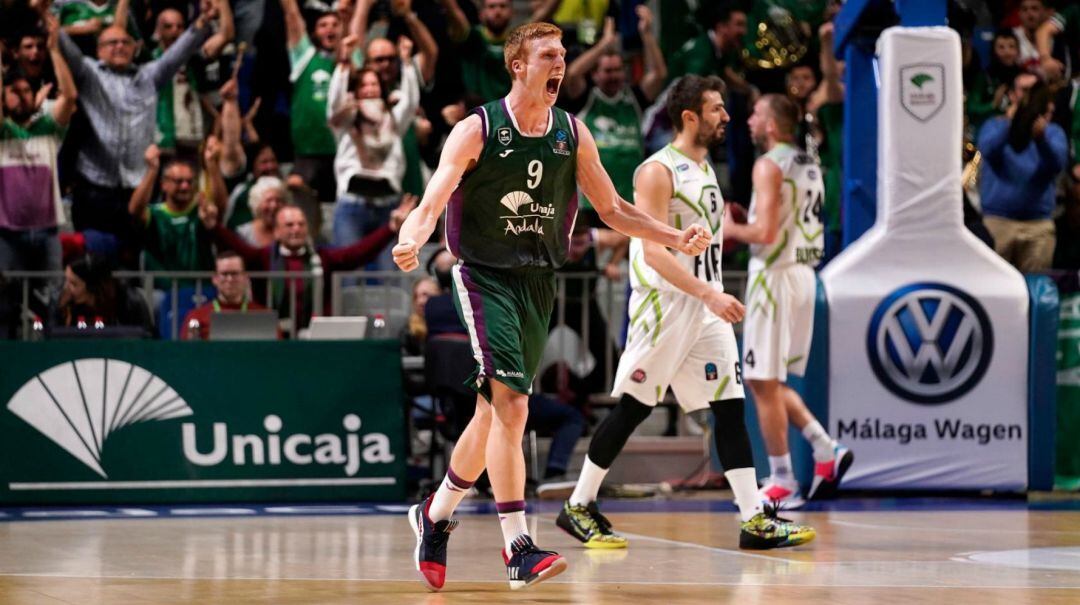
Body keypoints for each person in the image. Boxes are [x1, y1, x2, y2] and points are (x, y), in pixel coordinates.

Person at [393, 22, 712, 592]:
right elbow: (435, 196)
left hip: (538, 280)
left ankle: (435, 514)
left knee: (493, 412)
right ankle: (517, 545)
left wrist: (671, 234)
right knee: (514, 405)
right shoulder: (478, 128)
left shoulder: (571, 132)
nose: (561, 63)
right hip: (484, 275)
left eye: (564, 54)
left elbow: (612, 209)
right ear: (518, 65)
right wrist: (413, 236)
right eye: (548, 54)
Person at [557, 76, 815, 552]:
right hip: (666, 305)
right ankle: (579, 503)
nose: (727, 117)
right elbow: (654, 254)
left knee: (730, 406)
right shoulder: (656, 171)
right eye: (717, 109)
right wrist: (708, 293)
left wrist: (712, 288)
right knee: (635, 406)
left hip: (704, 305)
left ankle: (753, 517)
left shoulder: (705, 167)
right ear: (690, 116)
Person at [724, 94, 852, 508]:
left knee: (761, 382)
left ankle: (782, 481)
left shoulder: (768, 164)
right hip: (804, 274)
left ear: (773, 125)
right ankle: (825, 448)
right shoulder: (808, 162)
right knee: (770, 382)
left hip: (776, 278)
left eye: (757, 114)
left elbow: (765, 235)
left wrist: (729, 227)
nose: (749, 120)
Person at [57, 1, 219, 243]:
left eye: (126, 42)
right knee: (92, 261)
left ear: (135, 49)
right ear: (99, 50)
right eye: (112, 43)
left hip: (137, 189)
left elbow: (177, 54)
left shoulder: (149, 77)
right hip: (94, 189)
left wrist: (202, 22)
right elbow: (65, 47)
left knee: (132, 263)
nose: (120, 46)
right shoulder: (88, 73)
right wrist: (45, 18)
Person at [204, 200, 413, 333]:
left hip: (315, 338)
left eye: (301, 224)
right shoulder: (264, 258)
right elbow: (236, 247)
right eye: (289, 225)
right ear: (276, 232)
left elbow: (357, 252)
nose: (296, 229)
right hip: (273, 337)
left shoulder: (323, 257)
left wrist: (390, 228)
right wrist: (214, 227)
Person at [0, 12, 78, 337]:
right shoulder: (3, 132)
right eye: (13, 91)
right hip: (7, 233)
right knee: (4, 303)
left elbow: (70, 98)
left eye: (26, 90)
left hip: (47, 232)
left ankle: (54, 353)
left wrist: (55, 49)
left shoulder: (48, 130)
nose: (21, 95)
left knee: (55, 302)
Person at [328, 37, 419, 251]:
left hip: (388, 206)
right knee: (347, 277)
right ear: (356, 90)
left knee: (388, 279)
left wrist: (407, 62)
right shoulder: (348, 119)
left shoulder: (394, 120)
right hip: (352, 204)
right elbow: (333, 105)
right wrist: (343, 65)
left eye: (374, 84)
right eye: (364, 85)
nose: (369, 89)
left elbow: (411, 101)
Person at [977, 76, 1067, 272]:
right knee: (994, 288)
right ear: (1011, 94)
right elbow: (988, 151)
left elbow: (1057, 165)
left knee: (1036, 291)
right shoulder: (995, 125)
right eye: (1022, 90)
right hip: (997, 222)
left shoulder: (1052, 132)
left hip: (1037, 225)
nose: (1028, 96)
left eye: (1032, 91)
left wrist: (1042, 140)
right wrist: (1009, 125)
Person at [280, 0, 350, 202]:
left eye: (335, 24)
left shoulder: (351, 61)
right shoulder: (304, 56)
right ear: (313, 32)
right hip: (308, 153)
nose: (330, 29)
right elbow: (292, 13)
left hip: (343, 152)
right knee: (298, 200)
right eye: (323, 25)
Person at [49, 253, 153, 335]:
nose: (66, 287)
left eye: (74, 284)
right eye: (66, 281)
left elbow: (148, 339)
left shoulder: (131, 301)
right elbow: (49, 342)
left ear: (94, 286)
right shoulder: (60, 301)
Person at [181, 250, 270, 340]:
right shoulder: (197, 317)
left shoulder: (264, 315)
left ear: (245, 277)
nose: (230, 279)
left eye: (235, 273)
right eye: (224, 274)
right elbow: (187, 352)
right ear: (215, 279)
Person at [438, 0, 512, 105]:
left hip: (509, 111)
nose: (498, 11)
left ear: (512, 12)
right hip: (475, 110)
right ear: (481, 14)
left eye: (503, 6)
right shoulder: (472, 37)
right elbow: (456, 15)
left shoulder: (518, 41)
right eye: (491, 7)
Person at [237, 176, 289, 247]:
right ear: (257, 204)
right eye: (268, 201)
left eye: (278, 200)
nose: (274, 206)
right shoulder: (243, 234)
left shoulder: (291, 230)